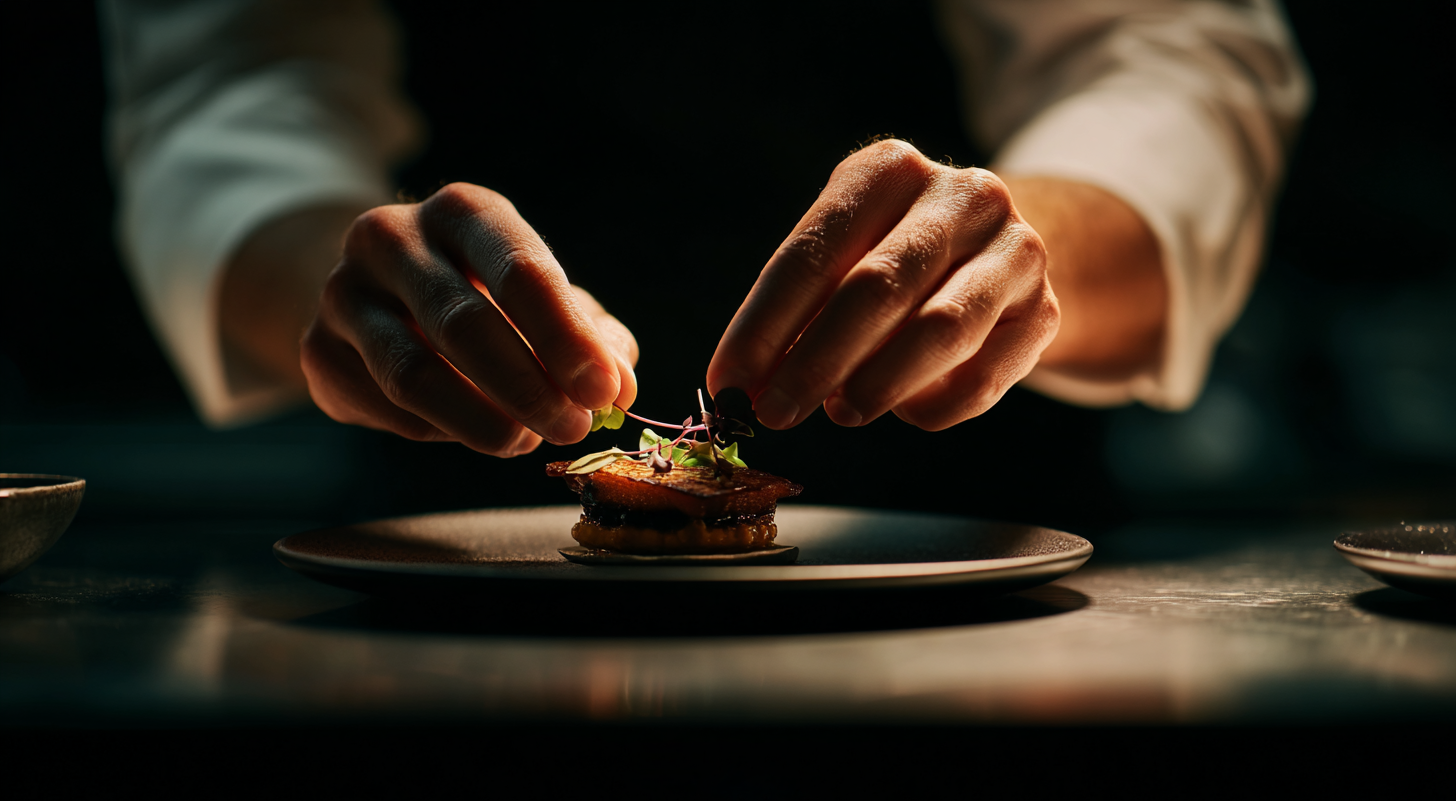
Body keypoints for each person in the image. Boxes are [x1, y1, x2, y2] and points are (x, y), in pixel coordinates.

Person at [101, 0, 1310, 457]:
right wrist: (353, 288)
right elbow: (229, 89)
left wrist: (1012, 240)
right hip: (444, 503)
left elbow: (1167, 59)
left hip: (983, 508)